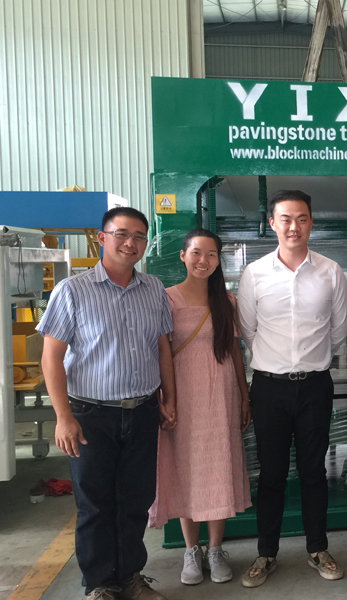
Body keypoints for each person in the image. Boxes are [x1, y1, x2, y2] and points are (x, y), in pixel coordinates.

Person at [38, 207, 176, 600]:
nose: (131, 243)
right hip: (90, 415)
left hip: (143, 411)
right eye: (122, 234)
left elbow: (162, 348)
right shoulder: (72, 291)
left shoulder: (153, 288)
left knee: (136, 501)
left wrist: (168, 398)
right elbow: (51, 358)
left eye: (139, 236)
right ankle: (100, 583)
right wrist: (63, 417)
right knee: (95, 504)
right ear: (102, 238)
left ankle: (130, 576)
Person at [237, 189, 347, 587]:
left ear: (311, 223)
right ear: (272, 223)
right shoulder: (255, 274)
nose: (293, 227)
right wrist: (278, 363)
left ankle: (317, 548)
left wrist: (308, 362)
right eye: (285, 219)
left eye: (301, 218)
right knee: (271, 474)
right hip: (269, 389)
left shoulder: (330, 272)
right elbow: (248, 331)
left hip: (315, 387)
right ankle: (266, 553)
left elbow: (338, 331)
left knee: (313, 471)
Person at [147, 229, 252, 585]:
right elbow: (161, 351)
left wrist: (244, 396)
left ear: (219, 260)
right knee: (187, 469)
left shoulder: (227, 301)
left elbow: (234, 352)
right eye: (196, 253)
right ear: (182, 256)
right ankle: (191, 550)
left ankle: (215, 548)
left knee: (218, 465)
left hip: (221, 395)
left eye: (211, 255)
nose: (203, 261)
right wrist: (167, 398)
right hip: (183, 396)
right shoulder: (166, 298)